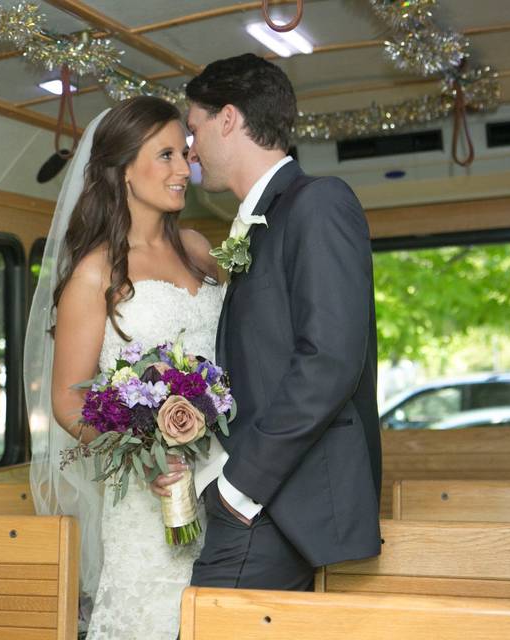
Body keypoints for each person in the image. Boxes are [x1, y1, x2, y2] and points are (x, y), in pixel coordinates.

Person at [153, 53, 382, 591]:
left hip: (279, 499)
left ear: (228, 119)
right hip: (263, 498)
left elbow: (328, 362)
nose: (190, 148)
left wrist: (238, 488)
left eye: (194, 128)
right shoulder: (260, 221)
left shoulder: (317, 202)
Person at [25, 96, 223, 639]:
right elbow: (68, 400)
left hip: (227, 481)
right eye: (166, 156)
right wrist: (142, 458)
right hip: (148, 498)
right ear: (124, 171)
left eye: (184, 153)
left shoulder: (199, 249)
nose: (185, 169)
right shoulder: (95, 273)